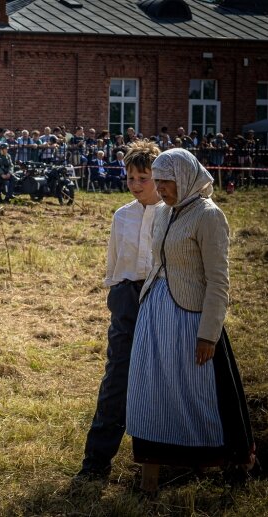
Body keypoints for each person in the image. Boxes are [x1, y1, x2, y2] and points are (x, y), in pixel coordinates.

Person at [126, 148, 255, 493]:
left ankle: (225, 465)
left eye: (167, 181)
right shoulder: (165, 213)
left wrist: (208, 335)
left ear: (184, 178)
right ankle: (155, 464)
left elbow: (218, 281)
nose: (161, 188)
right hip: (155, 316)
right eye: (159, 181)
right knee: (155, 390)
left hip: (190, 320)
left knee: (200, 394)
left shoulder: (208, 216)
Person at [76, 140, 163, 482]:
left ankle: (158, 461)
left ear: (160, 177)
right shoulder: (121, 216)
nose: (136, 184)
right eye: (131, 178)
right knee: (116, 380)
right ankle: (95, 463)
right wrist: (117, 294)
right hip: (126, 300)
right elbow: (114, 263)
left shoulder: (173, 215)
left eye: (144, 177)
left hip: (159, 300)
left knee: (158, 380)